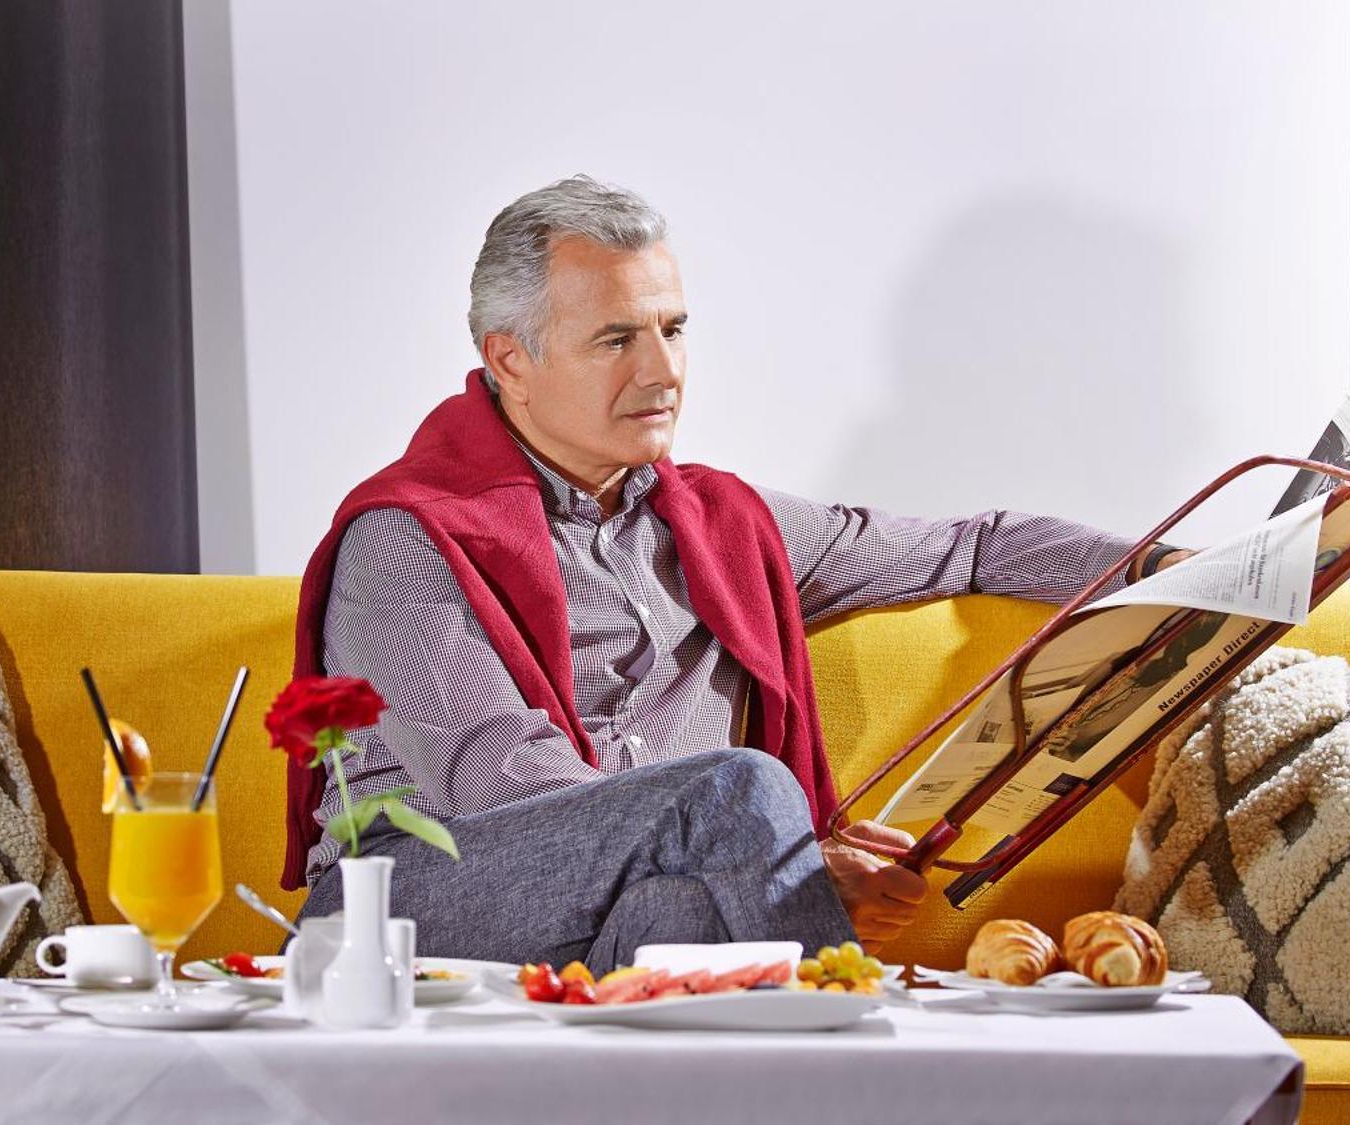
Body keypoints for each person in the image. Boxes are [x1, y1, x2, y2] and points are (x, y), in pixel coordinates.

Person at [285, 175, 1187, 972]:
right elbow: (507, 787)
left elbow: (973, 545)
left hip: (623, 911)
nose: (664, 369)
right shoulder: (406, 539)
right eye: (616, 340)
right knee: (745, 787)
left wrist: (1176, 568)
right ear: (511, 360)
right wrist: (784, 859)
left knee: (674, 913)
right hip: (406, 910)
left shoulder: (721, 525)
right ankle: (854, 1068)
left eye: (673, 329)